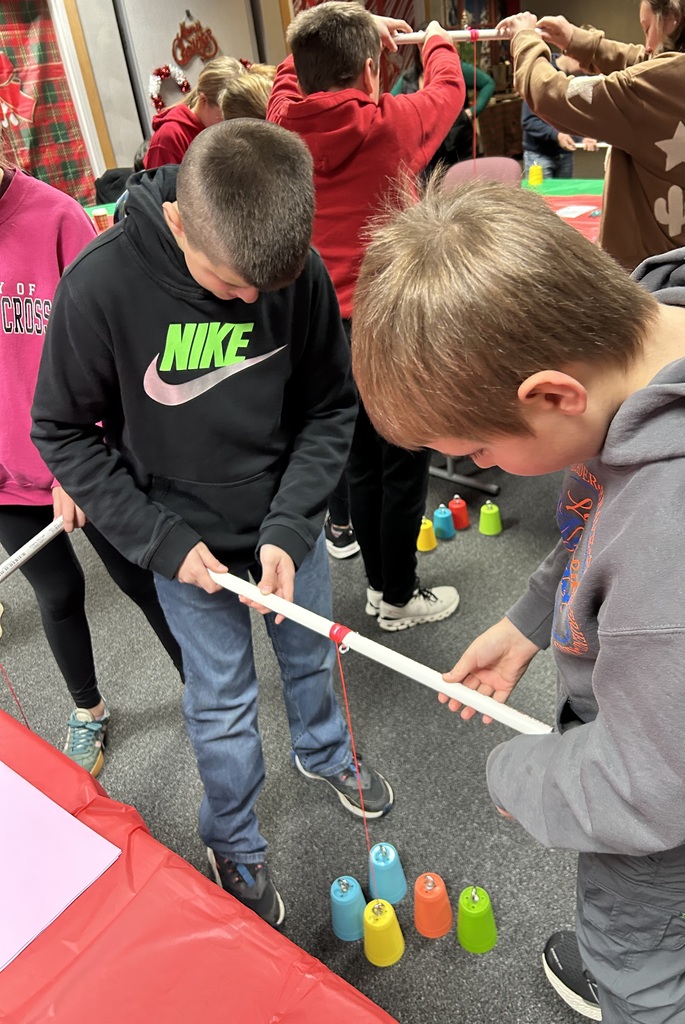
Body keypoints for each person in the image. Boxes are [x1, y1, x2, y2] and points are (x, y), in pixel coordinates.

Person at [350, 177, 685, 1024]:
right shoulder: (652, 331)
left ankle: (630, 949)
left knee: (642, 961)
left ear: (551, 396)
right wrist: (529, 618)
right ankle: (642, 929)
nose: (487, 468)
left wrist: (519, 773)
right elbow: (597, 512)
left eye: (479, 450)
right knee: (664, 913)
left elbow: (668, 786)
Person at [31, 119, 393, 927]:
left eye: (266, 287)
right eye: (229, 286)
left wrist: (293, 524)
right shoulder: (100, 286)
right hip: (183, 545)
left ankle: (325, 752)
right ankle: (231, 839)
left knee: (311, 653)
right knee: (221, 708)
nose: (249, 303)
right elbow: (58, 431)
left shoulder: (282, 273)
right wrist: (162, 543)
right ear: (180, 223)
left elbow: (331, 406)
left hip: (285, 526)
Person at [267, 1, 462, 630]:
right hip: (386, 327)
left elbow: (284, 82)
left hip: (320, 332)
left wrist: (336, 37)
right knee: (402, 461)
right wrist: (435, 40)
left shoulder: (281, 131)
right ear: (373, 71)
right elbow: (449, 90)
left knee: (358, 459)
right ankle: (395, 596)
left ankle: (382, 582)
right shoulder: (391, 125)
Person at [0, 151, 183, 776]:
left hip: (83, 458)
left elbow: (110, 354)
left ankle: (205, 688)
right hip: (6, 482)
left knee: (139, 578)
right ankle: (88, 709)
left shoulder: (56, 218)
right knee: (57, 593)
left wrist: (75, 466)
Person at [497, 1, 685, 271]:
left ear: (672, 19)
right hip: (684, 247)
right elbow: (646, 62)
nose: (646, 45)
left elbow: (553, 96)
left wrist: (524, 40)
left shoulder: (673, 78)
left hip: (650, 267)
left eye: (647, 29)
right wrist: (576, 40)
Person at [390, 25, 496, 176]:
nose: (429, 53)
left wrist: (471, 112)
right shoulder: (409, 78)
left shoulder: (455, 68)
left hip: (457, 145)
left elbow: (488, 83)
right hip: (427, 151)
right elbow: (391, 104)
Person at [143, 55, 247, 169]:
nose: (231, 122)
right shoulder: (170, 137)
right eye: (225, 114)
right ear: (203, 100)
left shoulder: (215, 130)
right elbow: (161, 185)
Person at [521, 52, 599, 179]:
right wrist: (557, 135)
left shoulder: (579, 78)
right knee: (540, 198)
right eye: (583, 64)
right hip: (539, 156)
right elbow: (529, 121)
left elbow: (577, 117)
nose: (585, 69)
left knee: (564, 198)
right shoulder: (543, 75)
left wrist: (584, 137)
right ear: (569, 53)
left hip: (565, 155)